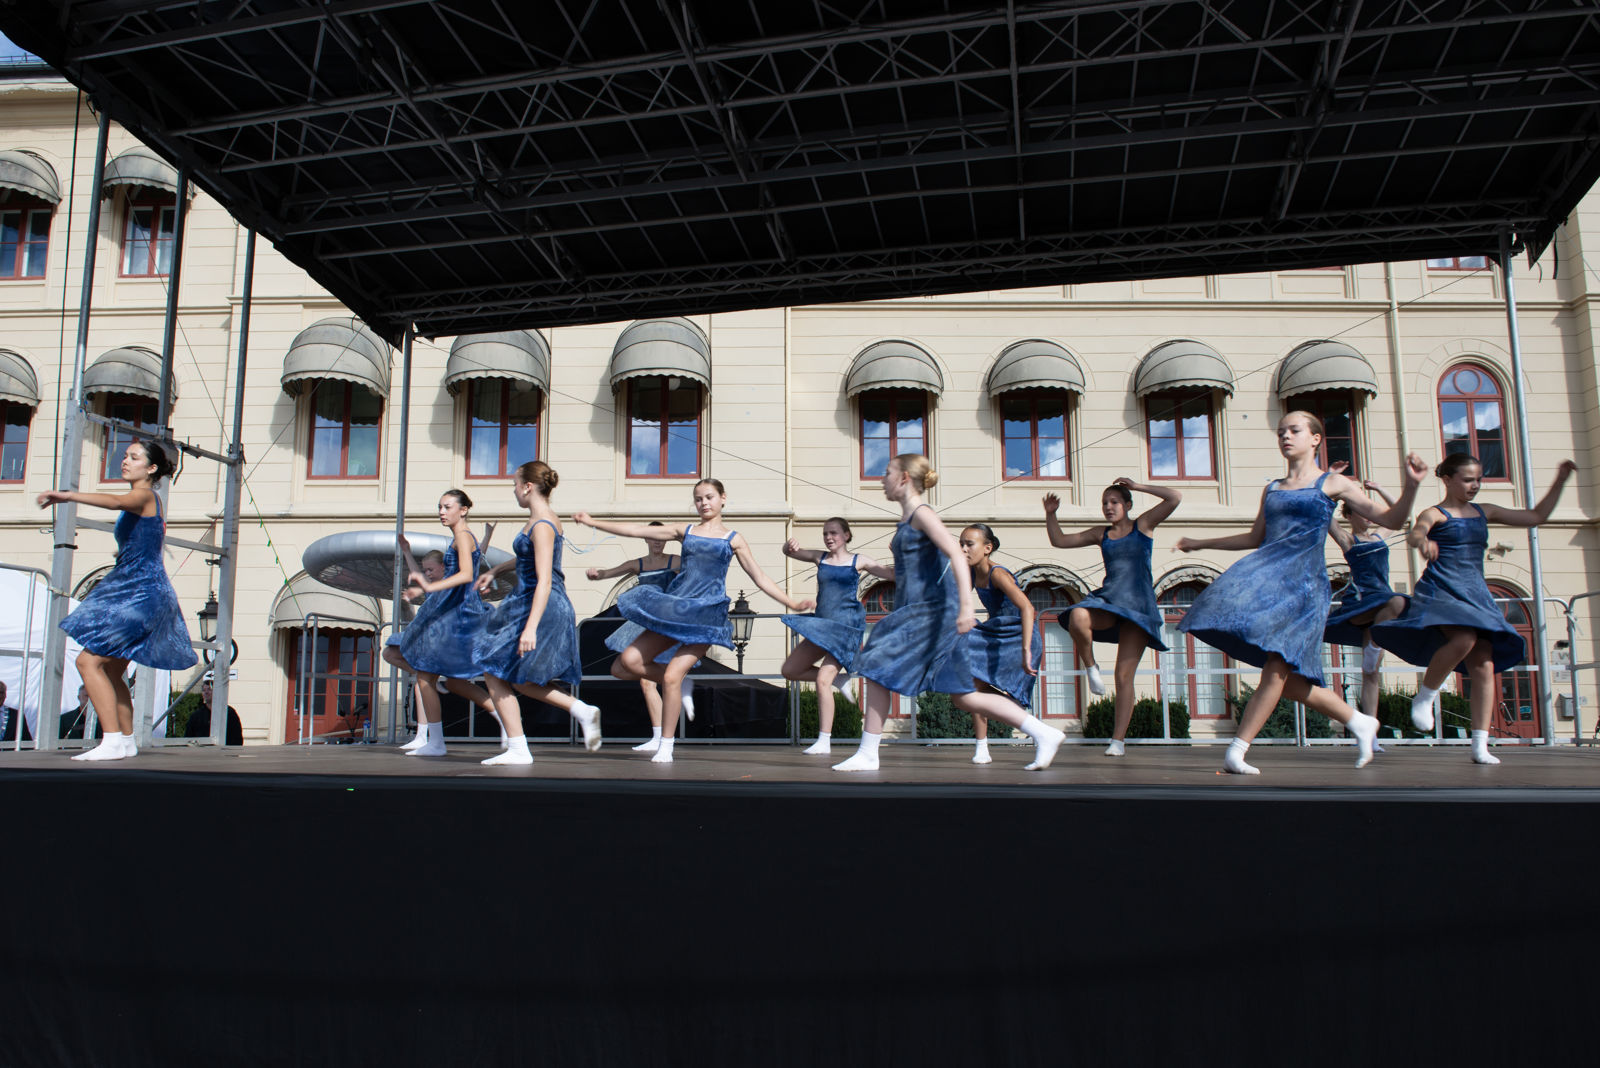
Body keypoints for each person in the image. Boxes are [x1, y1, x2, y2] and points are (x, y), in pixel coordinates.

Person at [1175, 413, 1427, 774]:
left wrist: (1412, 485)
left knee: (1276, 669)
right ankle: (1358, 720)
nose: (1286, 436)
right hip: (1268, 579)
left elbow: (1390, 519)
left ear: (1315, 439)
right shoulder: (1273, 488)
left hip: (1305, 589)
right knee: (1289, 682)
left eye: (1294, 430)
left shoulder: (1332, 483)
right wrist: (1201, 542)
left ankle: (1237, 749)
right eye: (1281, 432)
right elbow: (1253, 538)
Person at [832, 455, 1065, 773]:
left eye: (886, 473)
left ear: (903, 479)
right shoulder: (907, 519)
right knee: (965, 697)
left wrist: (966, 608)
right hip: (920, 613)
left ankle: (869, 751)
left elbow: (955, 552)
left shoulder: (921, 513)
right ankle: (1044, 732)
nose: (881, 479)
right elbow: (908, 573)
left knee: (875, 667)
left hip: (931, 617)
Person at [575, 477, 813, 764]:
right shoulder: (685, 531)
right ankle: (678, 685)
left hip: (705, 616)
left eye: (709, 497)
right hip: (675, 611)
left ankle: (666, 743)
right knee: (626, 663)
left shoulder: (733, 539)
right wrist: (593, 522)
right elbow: (637, 529)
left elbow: (759, 577)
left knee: (673, 677)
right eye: (698, 498)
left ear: (723, 498)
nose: (703, 503)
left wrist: (792, 602)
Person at [1371, 454, 1578, 764]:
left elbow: (1536, 516)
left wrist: (1560, 481)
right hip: (1442, 589)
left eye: (1479, 479)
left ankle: (1480, 745)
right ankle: (1425, 697)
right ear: (1448, 479)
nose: (1475, 485)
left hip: (1474, 592)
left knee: (1483, 663)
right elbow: (1417, 531)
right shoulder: (1436, 513)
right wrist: (1422, 543)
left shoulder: (1485, 511)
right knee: (1464, 639)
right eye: (1468, 479)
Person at [37, 439, 197, 762]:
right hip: (144, 590)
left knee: (87, 662)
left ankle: (111, 739)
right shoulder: (147, 500)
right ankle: (125, 741)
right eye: (125, 455)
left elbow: (114, 501)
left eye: (134, 457)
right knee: (111, 670)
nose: (125, 461)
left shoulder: (145, 495)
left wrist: (67, 496)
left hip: (141, 593)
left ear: (151, 468)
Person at [472, 461, 602, 766]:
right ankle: (577, 712)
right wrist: (495, 572)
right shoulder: (540, 521)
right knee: (512, 675)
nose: (514, 490)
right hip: (529, 602)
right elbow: (525, 560)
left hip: (538, 605)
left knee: (494, 667)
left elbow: (544, 578)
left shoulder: (543, 524)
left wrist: (530, 628)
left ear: (528, 487)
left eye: (515, 484)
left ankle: (521, 745)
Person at [1044, 479, 1181, 756]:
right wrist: (1051, 514)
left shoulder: (1142, 526)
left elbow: (1174, 497)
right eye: (1105, 503)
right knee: (1078, 616)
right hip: (1109, 601)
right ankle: (1091, 666)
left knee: (1123, 676)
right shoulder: (1101, 534)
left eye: (1114, 502)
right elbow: (1059, 541)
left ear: (1127, 505)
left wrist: (1138, 486)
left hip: (1138, 610)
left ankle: (1117, 741)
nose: (1108, 507)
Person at [383, 490, 489, 757]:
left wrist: (428, 587)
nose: (442, 511)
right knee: (429, 676)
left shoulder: (463, 537)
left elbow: (466, 574)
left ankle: (436, 741)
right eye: (439, 507)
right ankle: (434, 740)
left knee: (429, 675)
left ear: (463, 509)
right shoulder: (460, 538)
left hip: (454, 615)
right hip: (452, 611)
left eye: (447, 506)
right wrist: (408, 553)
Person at [779, 517, 891, 756]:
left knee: (822, 680)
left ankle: (824, 740)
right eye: (825, 534)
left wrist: (906, 559)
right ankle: (841, 681)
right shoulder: (819, 557)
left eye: (834, 533)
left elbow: (889, 574)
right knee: (789, 670)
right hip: (822, 628)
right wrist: (788, 547)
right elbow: (790, 553)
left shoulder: (858, 561)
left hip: (845, 630)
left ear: (846, 536)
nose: (829, 538)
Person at [393, 550, 504, 751]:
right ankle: (425, 735)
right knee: (398, 658)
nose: (427, 573)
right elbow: (417, 572)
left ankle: (504, 720)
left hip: (449, 640)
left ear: (444, 568)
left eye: (431, 569)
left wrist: (485, 540)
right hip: (433, 638)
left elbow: (472, 561)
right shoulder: (433, 585)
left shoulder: (453, 584)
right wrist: (407, 551)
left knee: (435, 680)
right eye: (425, 570)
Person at [586, 522, 682, 752]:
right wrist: (596, 574)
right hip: (644, 624)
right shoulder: (638, 564)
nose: (657, 541)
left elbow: (696, 570)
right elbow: (610, 573)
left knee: (646, 682)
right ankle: (661, 729)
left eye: (661, 537)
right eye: (653, 537)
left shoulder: (675, 561)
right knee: (624, 672)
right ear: (646, 539)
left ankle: (660, 737)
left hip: (666, 625)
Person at [1323, 479, 1408, 733]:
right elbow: (1326, 516)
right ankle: (1372, 645)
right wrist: (1335, 490)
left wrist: (1380, 489)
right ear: (1350, 515)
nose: (1369, 516)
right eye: (1361, 510)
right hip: (1361, 603)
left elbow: (1400, 515)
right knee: (1394, 603)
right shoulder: (1348, 540)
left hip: (1381, 602)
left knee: (1371, 674)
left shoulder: (1380, 535)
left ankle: (1370, 732)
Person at [959, 523, 1042, 765]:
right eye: (961, 543)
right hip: (996, 632)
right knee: (972, 685)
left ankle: (1024, 719)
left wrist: (1026, 650)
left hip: (1017, 636)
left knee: (974, 686)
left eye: (969, 544)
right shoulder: (974, 572)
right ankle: (982, 746)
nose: (964, 548)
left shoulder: (998, 574)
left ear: (987, 548)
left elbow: (1027, 607)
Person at [184, 676, 244, 746]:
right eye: (204, 690)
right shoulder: (196, 716)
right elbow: (188, 737)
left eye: (209, 689)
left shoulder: (229, 713)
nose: (206, 692)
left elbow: (237, 737)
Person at [0, 680, 28, 745]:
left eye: (1, 692)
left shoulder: (17, 715)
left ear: (5, 695)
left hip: (10, 754)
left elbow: (26, 741)